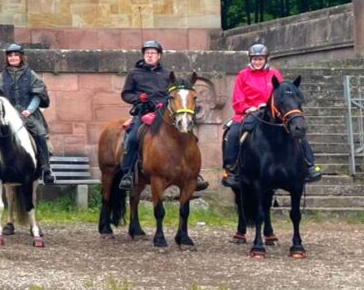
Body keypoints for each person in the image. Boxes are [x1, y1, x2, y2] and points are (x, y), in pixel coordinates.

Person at [221, 43, 323, 187]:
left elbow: (282, 94)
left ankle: (309, 165)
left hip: (273, 113)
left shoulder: (274, 74)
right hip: (250, 112)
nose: (257, 62)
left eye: (260, 59)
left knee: (296, 129)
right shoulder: (243, 75)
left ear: (266, 59)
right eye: (254, 59)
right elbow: (238, 99)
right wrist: (247, 108)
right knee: (233, 133)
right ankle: (231, 170)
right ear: (250, 60)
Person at [117, 40, 209, 192]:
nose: (150, 56)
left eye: (153, 53)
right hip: (143, 111)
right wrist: (138, 98)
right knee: (133, 137)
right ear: (143, 55)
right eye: (147, 53)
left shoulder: (167, 75)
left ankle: (194, 174)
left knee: (189, 136)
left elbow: (173, 94)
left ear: (159, 56)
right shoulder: (134, 73)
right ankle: (128, 174)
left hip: (164, 112)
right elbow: (126, 94)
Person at [0, 44, 56, 184]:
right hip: (7, 115)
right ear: (7, 58)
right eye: (10, 55)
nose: (13, 58)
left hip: (28, 114)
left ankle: (46, 169)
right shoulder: (1, 77)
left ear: (21, 57)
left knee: (40, 133)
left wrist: (30, 110)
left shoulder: (31, 75)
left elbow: (38, 95)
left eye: (16, 55)